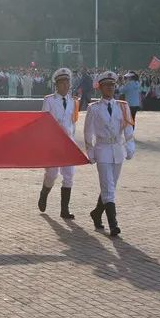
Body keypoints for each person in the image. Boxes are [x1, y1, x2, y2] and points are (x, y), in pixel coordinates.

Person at [84, 71, 135, 237]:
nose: (111, 88)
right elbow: (88, 132)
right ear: (100, 87)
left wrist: (130, 145)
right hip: (103, 149)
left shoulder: (122, 106)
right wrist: (90, 151)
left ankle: (97, 213)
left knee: (110, 186)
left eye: (113, 85)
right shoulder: (94, 108)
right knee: (108, 187)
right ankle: (114, 224)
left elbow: (128, 127)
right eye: (107, 85)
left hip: (117, 149)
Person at [37, 68, 80, 219]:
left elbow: (73, 123)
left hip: (68, 143)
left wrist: (72, 140)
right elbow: (43, 122)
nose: (65, 85)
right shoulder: (49, 100)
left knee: (69, 175)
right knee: (52, 174)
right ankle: (44, 192)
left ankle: (64, 209)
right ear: (57, 85)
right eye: (62, 83)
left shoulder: (73, 101)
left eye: (67, 82)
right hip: (53, 144)